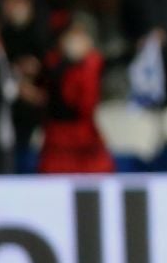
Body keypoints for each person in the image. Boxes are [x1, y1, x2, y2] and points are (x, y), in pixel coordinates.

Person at [37, 21, 113, 173]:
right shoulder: (53, 64)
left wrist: (86, 64)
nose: (76, 42)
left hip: (84, 139)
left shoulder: (92, 65)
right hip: (58, 139)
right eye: (72, 36)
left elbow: (86, 105)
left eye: (81, 36)